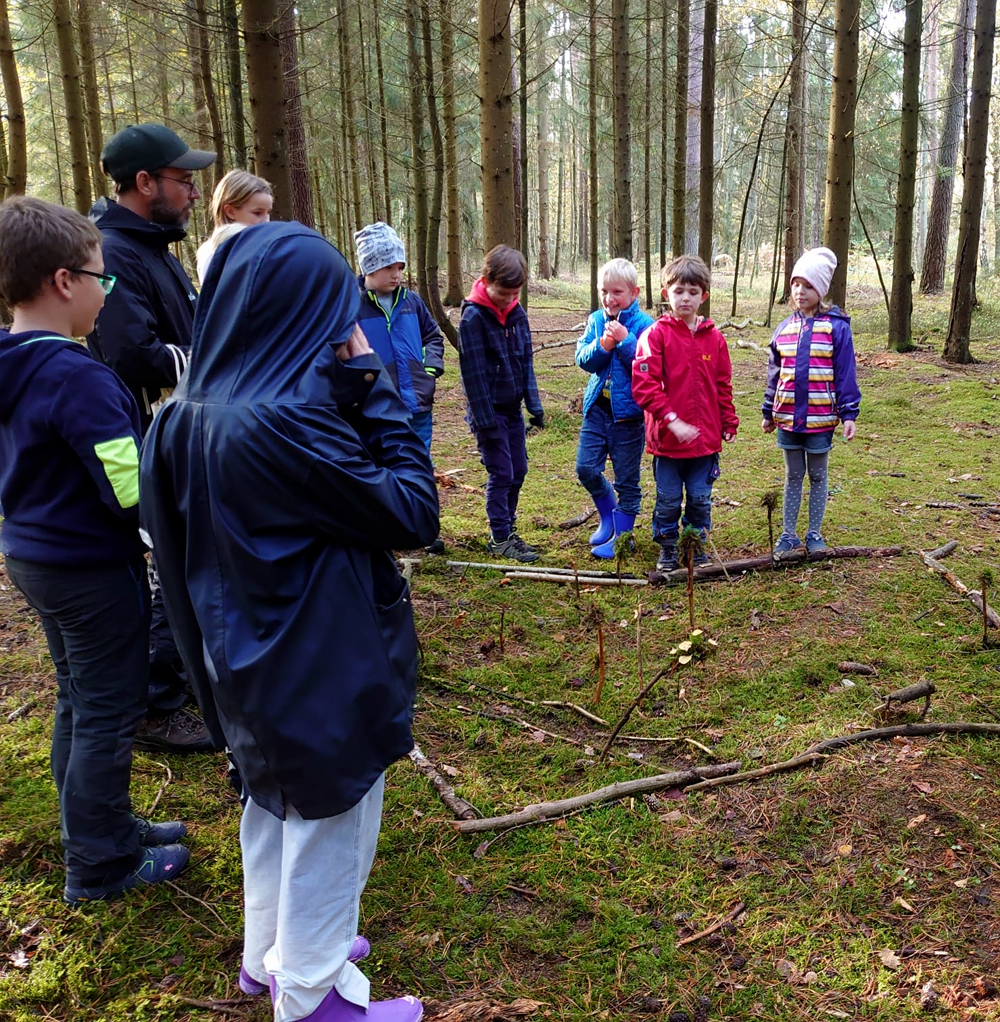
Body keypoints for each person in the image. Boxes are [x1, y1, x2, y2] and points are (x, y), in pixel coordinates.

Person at [139, 222, 437, 1022]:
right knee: (333, 820)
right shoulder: (282, 427)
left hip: (239, 661)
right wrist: (371, 383)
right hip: (319, 664)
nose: (347, 328)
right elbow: (413, 510)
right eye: (336, 309)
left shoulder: (185, 413)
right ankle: (310, 997)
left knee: (272, 806)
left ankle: (268, 952)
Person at [0, 196, 188, 904]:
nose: (106, 295)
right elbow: (128, 488)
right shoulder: (79, 378)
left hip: (33, 557)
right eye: (102, 280)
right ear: (62, 281)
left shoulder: (11, 363)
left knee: (78, 701)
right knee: (109, 710)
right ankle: (102, 866)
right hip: (89, 570)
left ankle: (106, 829)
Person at [89, 122, 216, 753]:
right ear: (145, 184)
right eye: (183, 181)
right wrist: (218, 360)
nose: (194, 193)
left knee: (184, 562)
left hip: (176, 438)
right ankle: (157, 704)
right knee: (166, 564)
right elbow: (131, 355)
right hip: (139, 444)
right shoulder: (114, 253)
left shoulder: (156, 251)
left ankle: (182, 677)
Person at [632, 254, 738, 573]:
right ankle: (666, 545)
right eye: (679, 291)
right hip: (667, 441)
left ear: (704, 296)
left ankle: (694, 544)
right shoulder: (655, 336)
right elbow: (644, 384)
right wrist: (671, 419)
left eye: (693, 292)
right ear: (666, 294)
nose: (686, 298)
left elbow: (722, 383)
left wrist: (728, 419)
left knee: (699, 498)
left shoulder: (714, 338)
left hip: (705, 441)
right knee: (667, 498)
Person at [761, 246, 860, 558]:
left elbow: (845, 373)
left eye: (808, 285)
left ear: (821, 289)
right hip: (787, 417)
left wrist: (849, 414)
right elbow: (774, 374)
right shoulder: (784, 329)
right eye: (795, 284)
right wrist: (768, 411)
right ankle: (788, 534)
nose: (800, 291)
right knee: (792, 475)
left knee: (817, 475)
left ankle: (813, 532)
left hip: (820, 418)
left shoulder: (836, 327)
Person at [354, 221, 445, 553]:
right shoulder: (353, 304)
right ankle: (385, 528)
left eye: (399, 267)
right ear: (369, 268)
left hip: (418, 403)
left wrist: (430, 368)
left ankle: (424, 526)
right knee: (380, 466)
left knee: (418, 462)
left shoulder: (412, 302)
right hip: (376, 408)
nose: (396, 274)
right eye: (388, 267)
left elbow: (433, 336)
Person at [458, 245, 544, 563]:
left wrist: (534, 405)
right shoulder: (473, 319)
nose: (508, 299)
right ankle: (499, 537)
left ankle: (508, 528)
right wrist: (486, 422)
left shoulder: (517, 313)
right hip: (489, 413)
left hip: (512, 410)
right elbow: (473, 377)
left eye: (515, 293)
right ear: (486, 280)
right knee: (502, 473)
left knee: (518, 470)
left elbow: (526, 361)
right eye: (503, 293)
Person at [574, 258, 654, 558]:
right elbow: (583, 359)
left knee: (627, 480)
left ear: (634, 293)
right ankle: (608, 516)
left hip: (629, 417)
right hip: (597, 410)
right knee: (585, 468)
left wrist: (624, 342)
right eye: (604, 291)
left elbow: (648, 368)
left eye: (617, 292)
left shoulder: (645, 326)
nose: (609, 298)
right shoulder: (596, 320)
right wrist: (603, 346)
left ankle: (623, 537)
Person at [196, 169, 273, 284]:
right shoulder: (230, 252)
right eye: (258, 213)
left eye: (268, 213)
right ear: (230, 212)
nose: (266, 221)